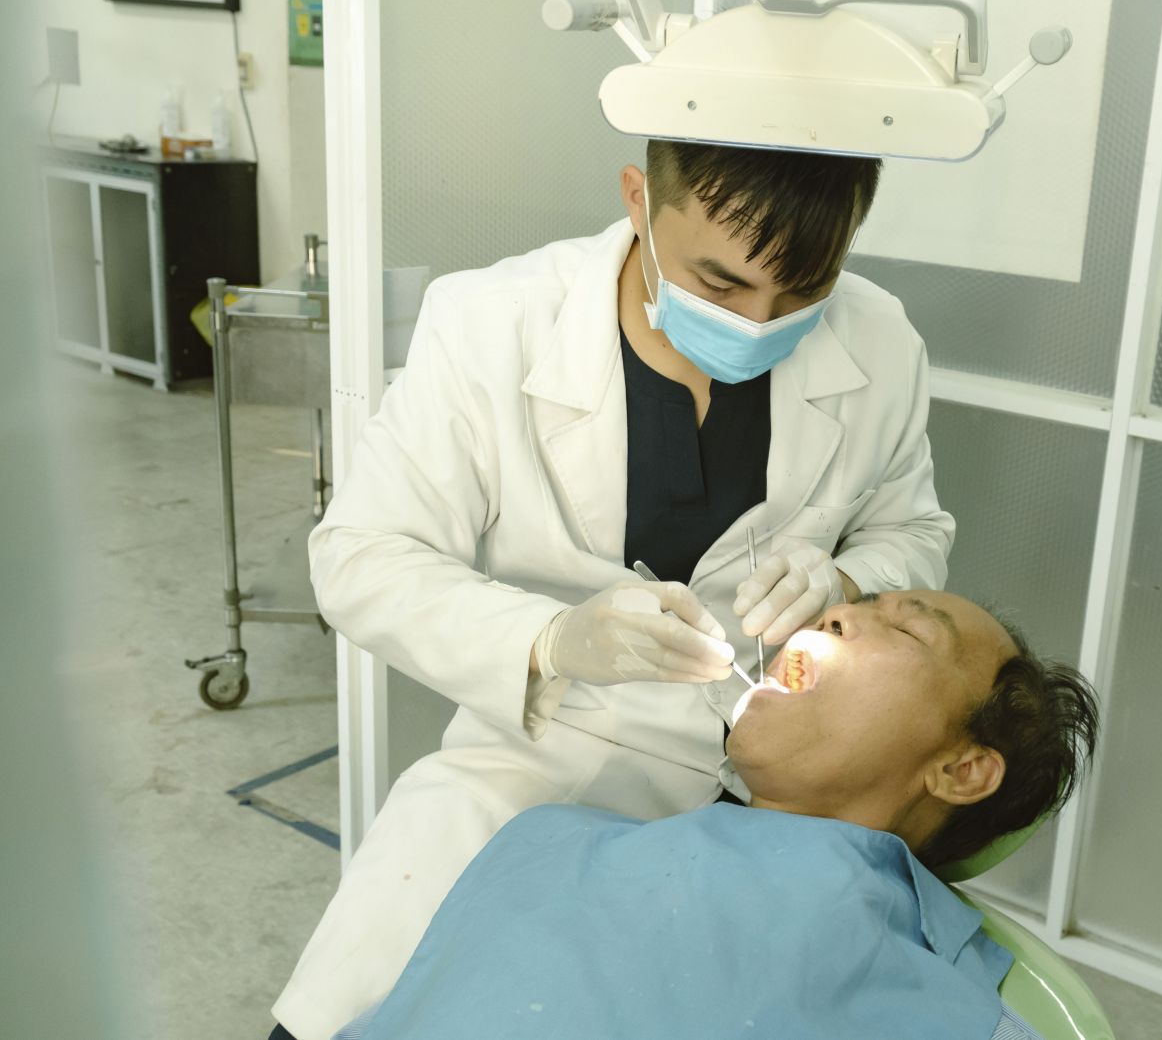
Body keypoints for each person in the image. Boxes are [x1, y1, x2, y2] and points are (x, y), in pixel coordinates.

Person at [270, 142, 957, 1040]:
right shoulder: (493, 322)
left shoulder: (880, 339)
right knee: (383, 1003)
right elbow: (360, 555)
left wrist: (847, 575)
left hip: (783, 792)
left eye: (801, 293)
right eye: (719, 284)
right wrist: (551, 640)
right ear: (638, 199)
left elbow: (915, 533)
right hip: (547, 759)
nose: (759, 324)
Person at [329, 591, 1100, 1040]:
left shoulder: (938, 1002)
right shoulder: (551, 837)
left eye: (905, 629)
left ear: (962, 770)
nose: (836, 612)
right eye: (856, 603)